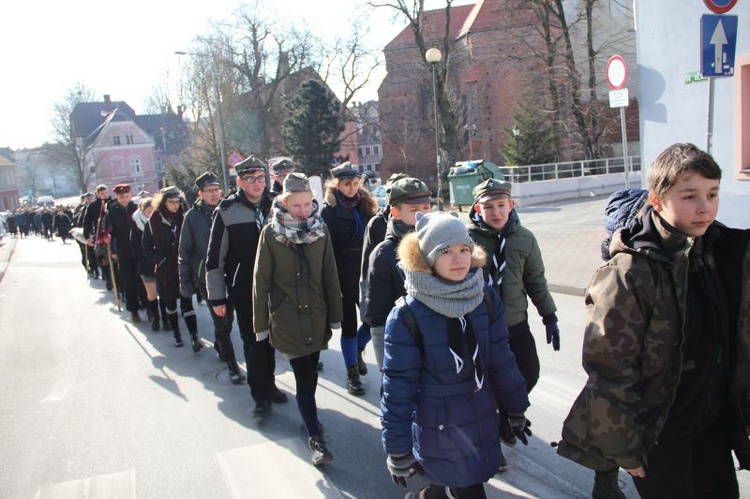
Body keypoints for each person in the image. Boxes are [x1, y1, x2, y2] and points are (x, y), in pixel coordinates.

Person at [556, 143, 750, 499]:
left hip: (713, 427)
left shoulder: (725, 252)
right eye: (689, 196)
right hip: (662, 437)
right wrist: (624, 448)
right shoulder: (630, 273)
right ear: (657, 201)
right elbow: (610, 369)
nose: (704, 206)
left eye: (712, 194)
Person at [381, 212, 531, 499]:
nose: (459, 259)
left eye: (464, 249)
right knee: (468, 489)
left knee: (450, 483)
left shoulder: (484, 298)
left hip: (480, 415)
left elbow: (501, 358)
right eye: (445, 252)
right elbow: (397, 389)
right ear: (426, 259)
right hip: (437, 426)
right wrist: (398, 449)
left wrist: (516, 407)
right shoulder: (406, 315)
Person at [253, 172, 343, 465]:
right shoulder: (271, 233)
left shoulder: (321, 230)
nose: (304, 211)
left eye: (307, 204)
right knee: (304, 377)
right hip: (287, 318)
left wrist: (336, 316)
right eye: (297, 206)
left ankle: (309, 419)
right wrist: (260, 325)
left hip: (316, 316)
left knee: (311, 375)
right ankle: (316, 438)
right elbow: (261, 281)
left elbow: (330, 274)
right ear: (283, 202)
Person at [206, 155, 288, 420]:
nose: (257, 184)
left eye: (261, 178)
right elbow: (215, 258)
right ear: (240, 182)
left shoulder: (276, 207)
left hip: (274, 287)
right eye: (250, 179)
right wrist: (217, 297)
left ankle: (271, 383)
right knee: (253, 342)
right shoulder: (227, 211)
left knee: (271, 340)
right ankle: (260, 396)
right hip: (244, 289)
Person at [179, 171, 245, 385]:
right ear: (200, 193)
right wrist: (185, 281)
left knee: (230, 318)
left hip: (231, 273)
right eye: (209, 191)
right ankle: (232, 364)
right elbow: (185, 251)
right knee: (221, 320)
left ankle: (220, 344)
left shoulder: (228, 209)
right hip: (207, 276)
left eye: (216, 190)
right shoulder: (192, 216)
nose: (214, 194)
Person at [320, 162, 377, 395]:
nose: (352, 188)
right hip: (343, 276)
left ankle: (359, 349)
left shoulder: (367, 205)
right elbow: (327, 251)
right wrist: (332, 284)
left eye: (355, 183)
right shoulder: (328, 211)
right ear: (337, 185)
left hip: (368, 274)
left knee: (374, 319)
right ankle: (352, 374)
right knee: (349, 327)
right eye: (347, 184)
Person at [364, 176, 431, 370]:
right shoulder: (384, 254)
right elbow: (378, 320)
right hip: (403, 342)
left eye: (426, 208)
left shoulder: (438, 242)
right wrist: (387, 368)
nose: (422, 216)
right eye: (414, 210)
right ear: (395, 212)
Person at [142, 187, 203, 351]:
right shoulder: (153, 221)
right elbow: (147, 247)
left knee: (187, 303)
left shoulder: (185, 218)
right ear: (163, 202)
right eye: (171, 202)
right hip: (165, 270)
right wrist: (160, 260)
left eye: (177, 201)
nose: (175, 205)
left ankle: (194, 336)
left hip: (183, 267)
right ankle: (176, 334)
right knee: (170, 304)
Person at [105, 184, 141, 323]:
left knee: (142, 281)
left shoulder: (136, 209)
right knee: (128, 282)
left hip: (138, 250)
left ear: (130, 195)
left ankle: (149, 307)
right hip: (123, 251)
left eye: (126, 196)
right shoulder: (112, 211)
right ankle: (133, 311)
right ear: (116, 197)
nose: (124, 199)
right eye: (121, 197)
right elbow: (110, 233)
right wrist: (112, 247)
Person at [132, 197, 165, 331]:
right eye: (148, 212)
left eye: (153, 211)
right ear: (142, 212)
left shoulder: (160, 222)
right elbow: (134, 246)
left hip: (160, 263)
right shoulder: (137, 225)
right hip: (146, 264)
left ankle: (166, 318)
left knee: (163, 293)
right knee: (152, 294)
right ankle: (155, 318)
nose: (151, 214)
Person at [83, 185, 112, 286]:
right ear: (97, 194)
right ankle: (106, 274)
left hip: (112, 234)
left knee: (114, 259)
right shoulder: (92, 206)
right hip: (99, 235)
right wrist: (87, 236)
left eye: (105, 193)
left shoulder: (113, 204)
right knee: (101, 257)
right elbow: (86, 222)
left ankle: (116, 282)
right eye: (101, 194)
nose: (104, 195)